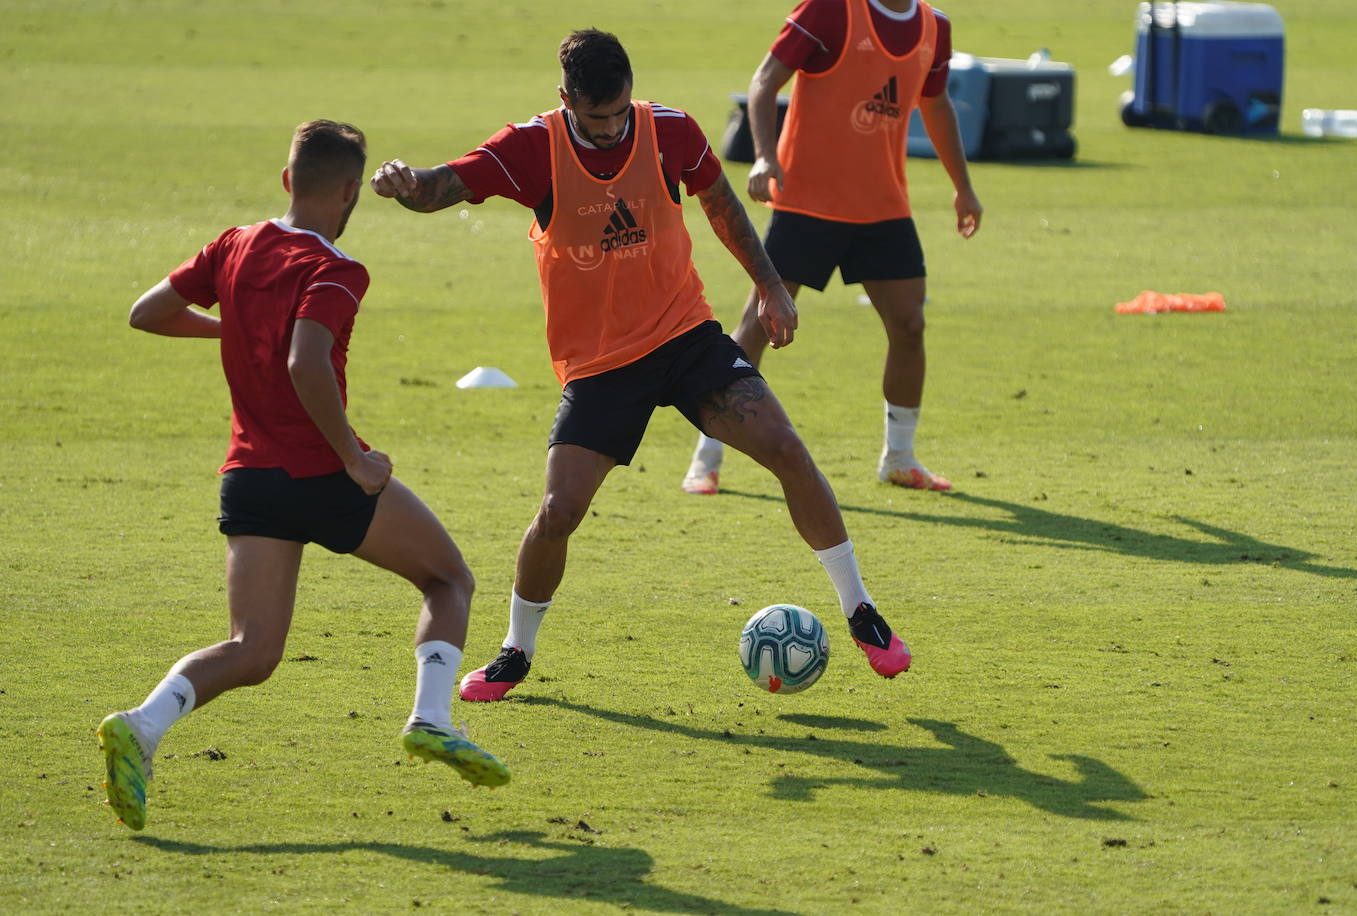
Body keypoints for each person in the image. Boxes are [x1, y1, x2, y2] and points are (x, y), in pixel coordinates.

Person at [371, 29, 912, 703]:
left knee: (789, 451)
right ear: (565, 99)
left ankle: (861, 611)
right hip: (600, 367)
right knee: (558, 510)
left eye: (620, 112)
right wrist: (405, 183)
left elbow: (721, 205)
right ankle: (515, 650)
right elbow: (442, 187)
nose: (611, 129)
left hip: (686, 340)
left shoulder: (670, 131)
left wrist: (771, 285)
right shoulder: (532, 148)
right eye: (596, 119)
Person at [98, 120, 510, 832]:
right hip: (322, 476)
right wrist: (353, 457)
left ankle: (140, 726)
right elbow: (305, 361)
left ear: (289, 179)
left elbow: (147, 314)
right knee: (449, 580)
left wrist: (232, 327)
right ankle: (432, 719)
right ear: (351, 192)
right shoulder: (337, 270)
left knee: (251, 651)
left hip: (248, 478)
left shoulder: (234, 244)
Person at [682, 0, 983, 496]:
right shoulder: (830, 11)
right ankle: (706, 456)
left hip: (884, 209)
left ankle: (899, 458)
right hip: (806, 204)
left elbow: (936, 103)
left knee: (910, 325)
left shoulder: (935, 27)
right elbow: (763, 82)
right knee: (759, 325)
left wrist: (963, 186)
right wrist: (763, 157)